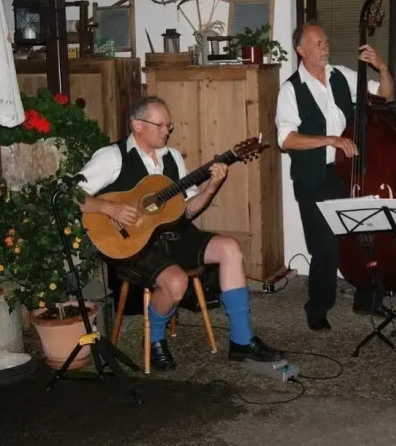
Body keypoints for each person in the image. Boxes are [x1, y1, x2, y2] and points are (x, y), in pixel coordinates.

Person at [77, 96, 283, 371]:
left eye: (169, 125)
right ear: (137, 125)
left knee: (230, 248)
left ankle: (242, 341)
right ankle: (155, 338)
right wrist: (110, 208)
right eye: (160, 125)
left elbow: (186, 210)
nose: (167, 131)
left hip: (174, 234)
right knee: (176, 282)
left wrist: (211, 187)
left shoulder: (172, 157)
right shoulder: (112, 157)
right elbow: (70, 193)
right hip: (131, 244)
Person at [275, 22, 395, 331]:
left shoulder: (341, 75)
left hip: (348, 171)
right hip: (313, 176)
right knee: (325, 246)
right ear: (301, 50)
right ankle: (318, 306)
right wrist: (330, 140)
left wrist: (382, 67)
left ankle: (368, 298)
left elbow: (385, 96)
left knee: (365, 233)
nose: (325, 47)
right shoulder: (290, 90)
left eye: (326, 41)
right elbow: (286, 140)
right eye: (318, 43)